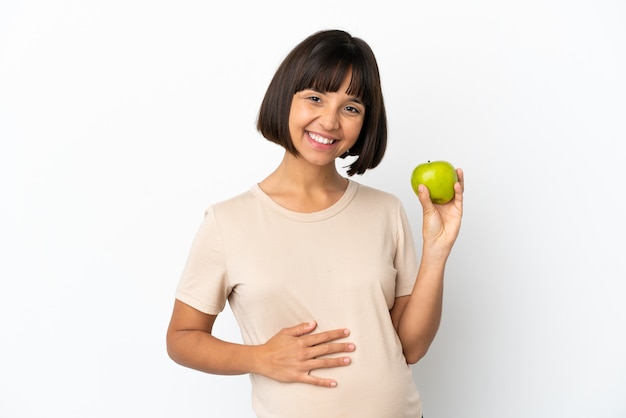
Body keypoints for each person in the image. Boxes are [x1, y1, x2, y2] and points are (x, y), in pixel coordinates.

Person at [166, 29, 464, 418]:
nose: (330, 121)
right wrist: (260, 358)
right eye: (315, 98)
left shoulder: (386, 211)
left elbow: (411, 347)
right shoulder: (227, 221)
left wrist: (437, 253)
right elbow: (182, 338)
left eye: (351, 107)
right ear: (284, 100)